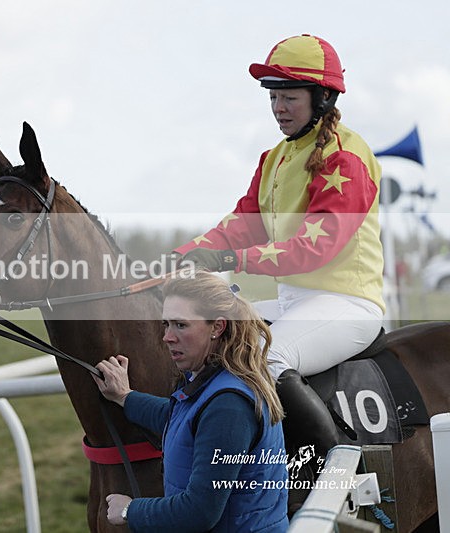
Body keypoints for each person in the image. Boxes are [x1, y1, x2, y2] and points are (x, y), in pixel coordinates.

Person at [174, 34, 385, 462]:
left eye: (289, 97)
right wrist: (188, 253)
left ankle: (340, 468)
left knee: (267, 359)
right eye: (273, 98)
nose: (278, 108)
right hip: (295, 302)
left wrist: (232, 259)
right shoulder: (274, 158)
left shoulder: (346, 157)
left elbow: (315, 246)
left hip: (347, 304)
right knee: (212, 339)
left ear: (323, 98)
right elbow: (241, 224)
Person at [93, 273, 288, 532]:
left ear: (217, 327)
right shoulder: (213, 379)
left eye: (180, 325)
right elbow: (181, 420)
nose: (167, 337)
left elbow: (199, 511)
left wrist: (131, 510)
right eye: (166, 324)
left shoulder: (228, 405)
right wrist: (124, 396)